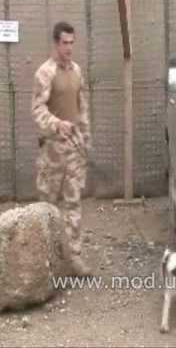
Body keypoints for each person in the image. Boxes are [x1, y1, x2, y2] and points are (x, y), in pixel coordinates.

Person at [31, 21, 92, 276]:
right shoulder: (45, 73)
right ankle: (46, 262)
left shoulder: (76, 70)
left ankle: (74, 258)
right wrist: (57, 124)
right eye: (64, 43)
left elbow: (82, 107)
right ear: (56, 43)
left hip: (74, 149)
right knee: (48, 206)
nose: (69, 47)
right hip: (53, 151)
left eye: (71, 42)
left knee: (73, 203)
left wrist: (86, 139)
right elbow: (37, 109)